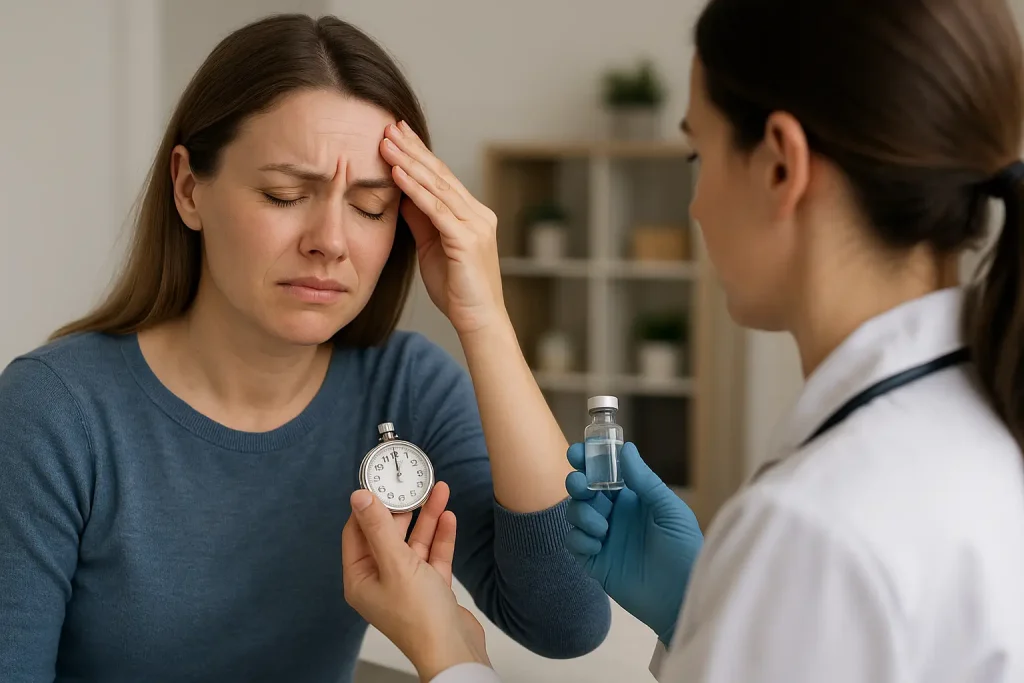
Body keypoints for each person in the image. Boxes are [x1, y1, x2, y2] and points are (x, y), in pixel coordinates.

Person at [341, 0, 1024, 680]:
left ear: (782, 166)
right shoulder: (978, 436)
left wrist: (449, 652)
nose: (694, 205)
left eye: (698, 153)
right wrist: (700, 608)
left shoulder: (820, 527)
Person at [0, 13, 613, 683]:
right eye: (285, 194)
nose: (331, 240)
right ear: (188, 188)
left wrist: (486, 318)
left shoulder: (407, 386)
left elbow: (568, 620)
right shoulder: (54, 412)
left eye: (372, 205)